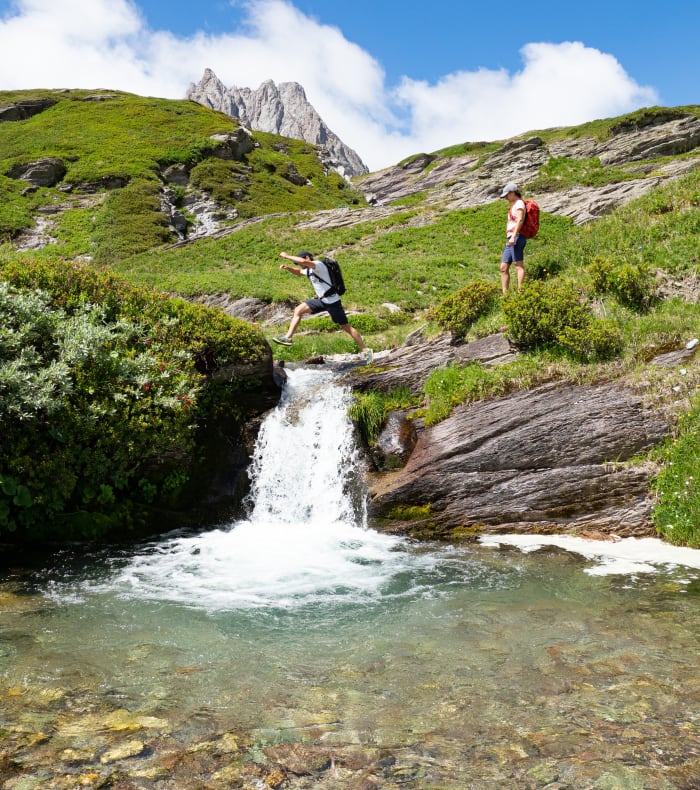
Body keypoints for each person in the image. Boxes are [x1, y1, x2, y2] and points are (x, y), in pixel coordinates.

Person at [272, 251, 373, 364]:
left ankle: (366, 350)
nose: (299, 264)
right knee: (298, 310)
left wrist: (286, 256)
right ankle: (288, 337)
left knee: (346, 327)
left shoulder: (318, 265)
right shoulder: (309, 270)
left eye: (298, 261)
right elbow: (299, 272)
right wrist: (288, 268)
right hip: (321, 300)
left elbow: (303, 262)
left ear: (307, 257)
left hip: (333, 302)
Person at [499, 182, 526, 294]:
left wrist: (514, 236)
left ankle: (521, 292)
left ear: (513, 193)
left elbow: (520, 220)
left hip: (516, 237)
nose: (506, 197)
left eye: (507, 195)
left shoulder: (519, 203)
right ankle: (506, 295)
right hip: (511, 238)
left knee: (518, 265)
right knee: (503, 267)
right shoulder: (514, 204)